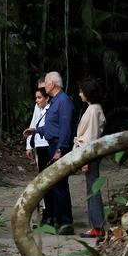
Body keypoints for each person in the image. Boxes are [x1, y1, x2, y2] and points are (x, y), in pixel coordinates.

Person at [33, 70, 75, 233]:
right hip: (52, 144)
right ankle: (59, 219)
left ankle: (66, 223)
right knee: (55, 185)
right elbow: (53, 126)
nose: (45, 85)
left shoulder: (63, 101)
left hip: (58, 146)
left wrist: (60, 149)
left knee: (60, 184)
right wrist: (37, 131)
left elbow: (65, 127)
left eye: (47, 82)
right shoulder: (55, 101)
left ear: (53, 84)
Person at [75, 77, 108, 236]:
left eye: (81, 91)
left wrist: (86, 159)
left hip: (91, 154)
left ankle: (97, 226)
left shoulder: (94, 110)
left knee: (93, 188)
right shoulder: (93, 108)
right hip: (90, 153)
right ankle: (97, 225)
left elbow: (92, 137)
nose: (79, 94)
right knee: (91, 187)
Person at [24, 85, 51, 227]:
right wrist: (29, 144)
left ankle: (49, 211)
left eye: (39, 97)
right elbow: (33, 124)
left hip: (48, 145)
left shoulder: (51, 108)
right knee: (41, 180)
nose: (37, 100)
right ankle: (45, 211)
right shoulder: (38, 107)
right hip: (39, 145)